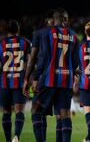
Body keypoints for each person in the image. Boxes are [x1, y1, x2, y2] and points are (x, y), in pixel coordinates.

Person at [30, 9, 79, 142]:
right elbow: (76, 63)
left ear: (55, 19)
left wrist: (34, 77)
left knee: (36, 110)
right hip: (66, 81)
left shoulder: (45, 33)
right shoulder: (74, 36)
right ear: (66, 20)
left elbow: (42, 58)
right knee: (64, 115)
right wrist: (76, 78)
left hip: (48, 80)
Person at [23, 9, 58, 142]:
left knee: (36, 110)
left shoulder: (41, 34)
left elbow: (36, 58)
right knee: (61, 115)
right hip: (62, 79)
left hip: (44, 78)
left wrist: (31, 78)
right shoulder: (68, 35)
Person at [0, 20, 31, 142]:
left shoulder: (1, 44)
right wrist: (28, 79)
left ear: (6, 31)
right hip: (20, 81)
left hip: (4, 82)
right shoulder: (26, 43)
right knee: (19, 111)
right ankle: (16, 136)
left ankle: (8, 140)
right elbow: (30, 63)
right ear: (18, 30)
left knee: (6, 112)